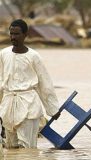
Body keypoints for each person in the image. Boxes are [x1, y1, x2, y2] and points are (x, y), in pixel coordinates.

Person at [0, 19, 60, 148]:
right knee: (10, 147)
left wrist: (52, 108)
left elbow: (45, 83)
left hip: (28, 104)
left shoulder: (34, 56)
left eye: (16, 34)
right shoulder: (3, 54)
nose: (13, 37)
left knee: (27, 147)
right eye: (11, 34)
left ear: (25, 35)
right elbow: (1, 81)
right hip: (8, 105)